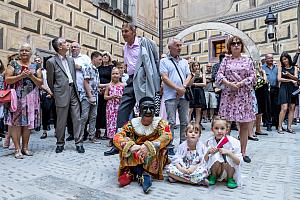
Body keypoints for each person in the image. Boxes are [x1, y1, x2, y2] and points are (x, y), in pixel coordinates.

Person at [104, 22, 160, 156]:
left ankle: (147, 143)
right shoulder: (125, 46)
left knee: (146, 109)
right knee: (123, 108)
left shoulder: (144, 43)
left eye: (126, 31)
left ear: (134, 32)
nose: (123, 34)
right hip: (130, 79)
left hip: (144, 80)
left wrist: (157, 81)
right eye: (122, 31)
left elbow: (155, 61)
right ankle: (117, 143)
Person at [113, 97, 172, 193]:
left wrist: (148, 146)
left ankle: (142, 173)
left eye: (151, 108)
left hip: (152, 155)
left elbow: (167, 136)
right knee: (127, 149)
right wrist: (130, 146)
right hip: (135, 151)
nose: (148, 111)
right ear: (139, 110)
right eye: (145, 108)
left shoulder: (161, 123)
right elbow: (118, 136)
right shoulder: (131, 124)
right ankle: (134, 173)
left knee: (153, 151)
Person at [216, 36, 256, 163]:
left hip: (243, 95)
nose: (236, 45)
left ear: (241, 45)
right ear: (229, 46)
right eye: (233, 44)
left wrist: (241, 83)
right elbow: (219, 75)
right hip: (228, 95)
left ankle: (243, 153)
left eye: (238, 43)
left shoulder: (247, 60)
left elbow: (253, 76)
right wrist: (228, 83)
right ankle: (224, 150)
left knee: (244, 125)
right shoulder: (226, 60)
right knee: (225, 124)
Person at [46, 37, 84, 154]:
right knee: (61, 120)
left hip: (73, 91)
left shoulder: (71, 60)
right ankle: (60, 143)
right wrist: (57, 92)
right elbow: (50, 81)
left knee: (77, 118)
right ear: (59, 47)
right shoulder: (51, 61)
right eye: (64, 43)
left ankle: (79, 143)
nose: (68, 44)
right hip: (61, 93)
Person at [5, 43, 43, 159]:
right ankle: (17, 149)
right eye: (22, 50)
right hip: (16, 98)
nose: (24, 52)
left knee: (27, 124)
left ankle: (25, 148)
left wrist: (31, 76)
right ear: (19, 52)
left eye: (26, 50)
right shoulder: (13, 64)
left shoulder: (36, 66)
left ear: (31, 53)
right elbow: (7, 80)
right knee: (16, 124)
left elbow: (40, 83)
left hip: (31, 99)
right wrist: (20, 76)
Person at [160, 38, 192, 155]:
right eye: (177, 45)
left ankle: (184, 145)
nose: (179, 48)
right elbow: (164, 77)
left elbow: (189, 75)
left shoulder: (184, 61)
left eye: (180, 45)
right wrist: (177, 89)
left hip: (183, 96)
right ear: (170, 48)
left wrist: (183, 87)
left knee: (185, 121)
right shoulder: (164, 61)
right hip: (170, 96)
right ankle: (169, 145)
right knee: (171, 122)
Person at [204, 117, 243, 189]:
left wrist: (229, 153)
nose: (219, 131)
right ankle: (213, 176)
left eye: (222, 128)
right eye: (216, 128)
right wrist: (208, 153)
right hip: (217, 170)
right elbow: (204, 160)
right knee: (215, 156)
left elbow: (239, 162)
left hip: (228, 170)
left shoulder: (234, 142)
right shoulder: (209, 141)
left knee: (229, 157)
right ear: (212, 129)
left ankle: (230, 178)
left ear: (227, 130)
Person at [80, 51, 101, 143]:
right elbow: (86, 82)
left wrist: (106, 86)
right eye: (99, 59)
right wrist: (90, 96)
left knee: (93, 116)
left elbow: (96, 84)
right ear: (94, 58)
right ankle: (79, 137)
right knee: (84, 117)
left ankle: (92, 137)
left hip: (95, 96)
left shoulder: (96, 69)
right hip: (86, 97)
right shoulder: (88, 67)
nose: (101, 61)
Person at [277, 52, 299, 134]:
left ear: (288, 59)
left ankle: (289, 127)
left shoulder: (294, 68)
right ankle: (279, 127)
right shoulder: (280, 67)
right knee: (284, 107)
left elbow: (296, 78)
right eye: (283, 60)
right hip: (283, 88)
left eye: (285, 59)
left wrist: (289, 75)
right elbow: (279, 79)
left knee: (292, 108)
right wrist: (290, 80)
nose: (284, 61)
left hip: (293, 88)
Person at [104, 67, 124, 147]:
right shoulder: (109, 85)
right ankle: (111, 139)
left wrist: (120, 97)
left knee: (118, 122)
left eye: (116, 73)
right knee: (110, 123)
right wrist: (111, 96)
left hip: (119, 106)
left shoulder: (123, 85)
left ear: (120, 75)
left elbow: (126, 97)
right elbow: (105, 97)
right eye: (113, 74)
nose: (115, 75)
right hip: (111, 107)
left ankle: (118, 139)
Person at [38, 56, 56, 139]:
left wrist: (53, 93)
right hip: (46, 94)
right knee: (45, 113)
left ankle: (56, 131)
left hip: (56, 94)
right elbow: (41, 83)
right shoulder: (42, 72)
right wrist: (49, 92)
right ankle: (44, 131)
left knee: (56, 114)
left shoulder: (56, 71)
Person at [96, 51, 113, 139]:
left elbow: (113, 79)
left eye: (107, 56)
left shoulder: (111, 67)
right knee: (99, 111)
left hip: (108, 91)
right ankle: (97, 130)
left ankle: (107, 130)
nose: (105, 57)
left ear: (109, 57)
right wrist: (99, 88)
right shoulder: (98, 68)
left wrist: (106, 88)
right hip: (99, 91)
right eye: (103, 56)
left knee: (107, 111)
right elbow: (96, 79)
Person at [262, 54, 279, 131]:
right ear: (265, 59)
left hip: (275, 89)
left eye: (272, 58)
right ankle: (268, 124)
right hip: (266, 89)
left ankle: (276, 123)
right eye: (269, 58)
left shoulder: (276, 67)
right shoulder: (263, 68)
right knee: (268, 107)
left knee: (275, 106)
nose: (271, 59)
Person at [189, 62, 207, 126]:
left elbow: (204, 84)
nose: (196, 67)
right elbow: (189, 84)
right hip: (192, 92)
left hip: (199, 92)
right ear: (192, 67)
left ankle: (197, 124)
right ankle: (188, 124)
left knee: (198, 109)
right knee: (190, 109)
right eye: (195, 66)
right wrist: (194, 76)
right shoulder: (190, 74)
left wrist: (194, 84)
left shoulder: (202, 74)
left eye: (197, 65)